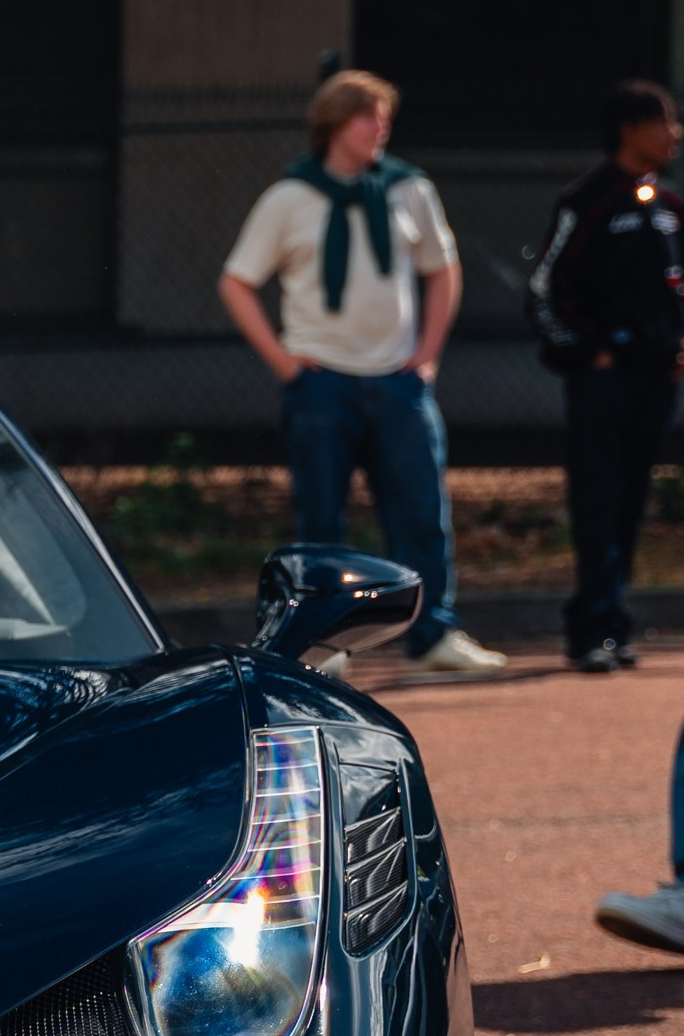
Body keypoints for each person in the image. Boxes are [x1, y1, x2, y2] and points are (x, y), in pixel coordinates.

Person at [218, 67, 505, 678]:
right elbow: (237, 281)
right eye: (367, 116)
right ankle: (326, 648)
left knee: (422, 515)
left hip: (397, 383)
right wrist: (283, 360)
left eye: (385, 118)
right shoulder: (289, 199)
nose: (381, 128)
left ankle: (434, 637)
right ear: (333, 124)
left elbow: (443, 269)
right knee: (320, 523)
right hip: (321, 385)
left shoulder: (409, 189)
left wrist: (426, 355)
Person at [528, 78, 684, 672]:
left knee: (632, 502)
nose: (673, 134)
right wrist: (586, 353)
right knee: (597, 498)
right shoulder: (586, 200)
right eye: (664, 121)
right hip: (602, 379)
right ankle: (589, 629)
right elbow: (543, 290)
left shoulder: (668, 205)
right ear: (630, 129)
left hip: (656, 380)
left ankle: (615, 624)